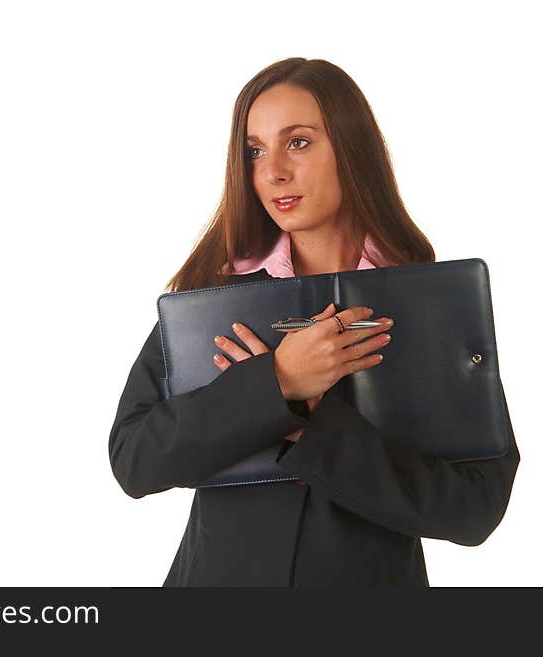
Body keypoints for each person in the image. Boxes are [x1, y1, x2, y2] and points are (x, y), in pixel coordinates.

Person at [108, 57, 520, 587]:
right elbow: (135, 458)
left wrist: (313, 423)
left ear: (352, 150)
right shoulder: (214, 298)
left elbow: (474, 507)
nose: (273, 170)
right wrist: (276, 385)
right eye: (254, 151)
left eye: (298, 142)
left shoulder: (431, 301)